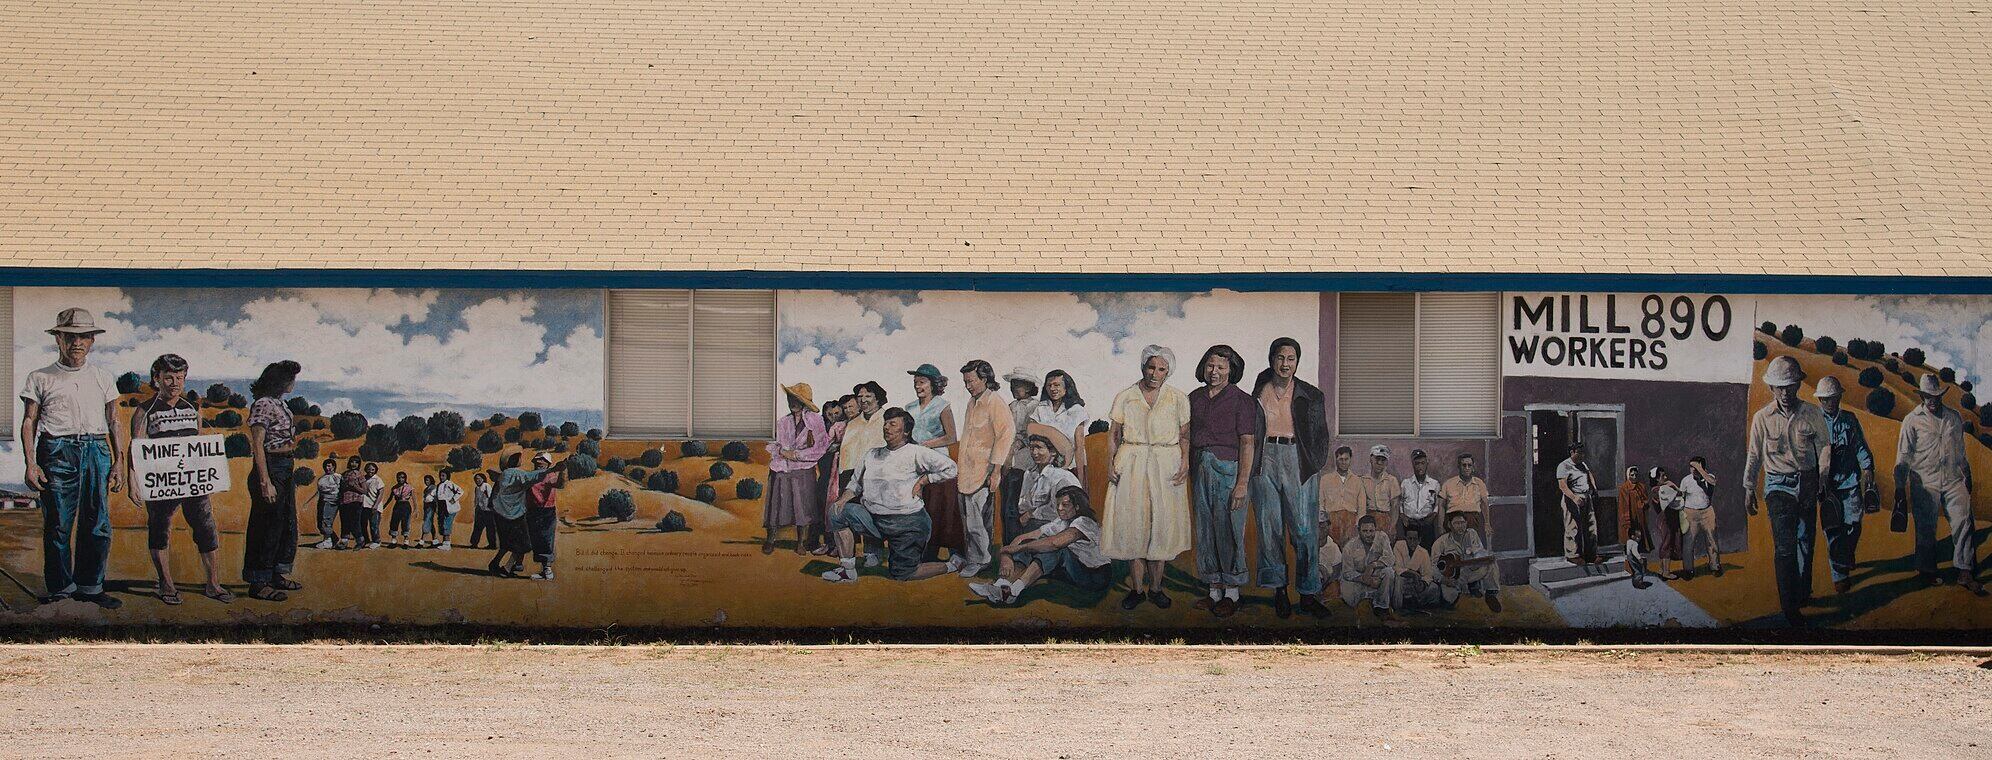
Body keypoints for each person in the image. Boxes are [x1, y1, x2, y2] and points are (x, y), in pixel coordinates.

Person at [18, 308, 127, 608]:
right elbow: (29, 422)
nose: (76, 343)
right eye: (69, 337)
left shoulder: (103, 377)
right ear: (58, 339)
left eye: (83, 337)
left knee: (97, 523)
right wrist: (30, 463)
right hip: (56, 451)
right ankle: (61, 590)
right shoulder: (39, 377)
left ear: (92, 340)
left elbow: (114, 421)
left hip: (96, 450)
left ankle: (91, 587)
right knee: (58, 524)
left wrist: (118, 461)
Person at [128, 354, 230, 605]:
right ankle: (166, 584)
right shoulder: (144, 411)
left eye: (180, 378)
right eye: (169, 377)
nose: (175, 383)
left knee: (206, 528)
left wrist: (210, 477)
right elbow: (136, 451)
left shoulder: (190, 408)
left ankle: (213, 584)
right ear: (157, 379)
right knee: (160, 529)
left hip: (192, 482)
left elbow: (199, 446)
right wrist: (133, 482)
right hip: (161, 482)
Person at [820, 407, 962, 583]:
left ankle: (952, 565)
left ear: (906, 431)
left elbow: (951, 468)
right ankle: (847, 570)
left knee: (903, 574)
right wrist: (842, 499)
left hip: (908, 524)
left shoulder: (916, 452)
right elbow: (855, 484)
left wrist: (925, 480)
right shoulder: (872, 454)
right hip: (875, 521)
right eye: (885, 423)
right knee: (837, 511)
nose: (886, 427)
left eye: (893, 424)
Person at [1743, 355, 1834, 625]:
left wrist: (1823, 475)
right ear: (1771, 388)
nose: (1785, 392)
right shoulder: (1762, 418)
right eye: (1779, 387)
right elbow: (1754, 455)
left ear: (1798, 386)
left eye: (1790, 386)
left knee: (1806, 541)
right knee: (1784, 547)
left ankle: (1803, 592)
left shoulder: (1813, 414)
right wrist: (1749, 487)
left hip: (1808, 483)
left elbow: (1825, 448)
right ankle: (1789, 607)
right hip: (1777, 487)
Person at [1101, 345, 1193, 611]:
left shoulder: (1178, 398)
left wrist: (1185, 460)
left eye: (1161, 369)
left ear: (1168, 372)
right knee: (1134, 524)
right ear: (1143, 367)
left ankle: (1156, 588)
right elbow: (1114, 434)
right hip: (1132, 461)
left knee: (1161, 525)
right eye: (1151, 367)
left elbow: (1185, 435)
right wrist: (1110, 463)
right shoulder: (1126, 396)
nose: (1155, 373)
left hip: (1166, 463)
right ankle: (1137, 589)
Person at [1250, 337, 1331, 619]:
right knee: (1269, 527)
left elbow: (1321, 435)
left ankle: (1308, 593)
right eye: (1280, 358)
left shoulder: (1311, 394)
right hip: (1265, 460)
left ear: (1297, 362)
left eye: (1291, 359)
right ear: (1272, 359)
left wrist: (1314, 463)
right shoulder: (1259, 390)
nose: (1285, 364)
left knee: (1305, 530)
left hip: (1298, 459)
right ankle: (1279, 591)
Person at [1895, 373, 1983, 594]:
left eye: (1935, 395)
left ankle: (1964, 571)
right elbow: (1903, 456)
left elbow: (1960, 451)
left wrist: (1967, 474)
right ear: (1922, 396)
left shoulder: (1954, 418)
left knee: (1964, 521)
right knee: (1925, 528)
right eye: (1927, 396)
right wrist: (1899, 486)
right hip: (1925, 482)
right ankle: (1926, 572)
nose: (1931, 400)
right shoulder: (1911, 420)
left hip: (1953, 479)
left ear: (1941, 395)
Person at [1188, 344, 1258, 618]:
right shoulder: (1194, 398)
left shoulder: (1242, 401)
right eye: (1210, 366)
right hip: (1200, 469)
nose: (1214, 372)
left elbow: (1248, 443)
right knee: (1205, 530)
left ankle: (1232, 593)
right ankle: (1214, 591)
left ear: (1232, 370)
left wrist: (1242, 483)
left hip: (1229, 471)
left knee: (1229, 530)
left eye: (1220, 367)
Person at [972, 486, 1111, 605]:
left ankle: (1013, 591)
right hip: (1071, 570)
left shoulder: (1084, 522)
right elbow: (1022, 538)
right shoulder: (1061, 521)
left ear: (1077, 507)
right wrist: (1006, 556)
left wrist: (1016, 549)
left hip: (1094, 576)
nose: (1060, 509)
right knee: (1031, 544)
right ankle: (1001, 585)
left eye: (1065, 505)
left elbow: (1055, 543)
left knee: (1053, 549)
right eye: (1058, 505)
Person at [243, 360, 304, 601]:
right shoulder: (263, 404)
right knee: (266, 526)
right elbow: (257, 443)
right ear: (280, 380)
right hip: (270, 466)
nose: (293, 383)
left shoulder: (280, 404)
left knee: (286, 524)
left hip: (285, 467)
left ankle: (277, 574)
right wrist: (264, 480)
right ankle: (259, 582)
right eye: (290, 378)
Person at [952, 360, 1015, 577]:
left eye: (971, 381)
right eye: (965, 382)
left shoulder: (995, 402)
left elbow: (1006, 435)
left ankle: (979, 560)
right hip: (967, 469)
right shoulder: (972, 402)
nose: (967, 386)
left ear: (984, 379)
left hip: (985, 469)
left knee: (976, 517)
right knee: (972, 516)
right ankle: (981, 557)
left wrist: (996, 470)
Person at [1814, 377, 1872, 595]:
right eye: (1825, 399)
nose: (1829, 402)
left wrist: (1868, 467)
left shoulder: (1850, 419)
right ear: (1820, 399)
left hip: (1850, 483)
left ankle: (1847, 552)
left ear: (1839, 397)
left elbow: (1859, 446)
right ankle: (1839, 575)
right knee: (1833, 530)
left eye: (1833, 398)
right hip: (1827, 487)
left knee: (1854, 525)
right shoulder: (1813, 421)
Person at [906, 363, 965, 563]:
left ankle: (955, 553)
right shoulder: (910, 408)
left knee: (944, 507)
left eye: (922, 382)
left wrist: (926, 444)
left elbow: (951, 436)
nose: (918, 386)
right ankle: (928, 552)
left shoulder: (942, 405)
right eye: (915, 383)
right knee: (923, 507)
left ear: (933, 384)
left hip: (940, 461)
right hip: (918, 463)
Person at [763, 383, 829, 555]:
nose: (792, 402)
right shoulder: (782, 421)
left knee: (803, 506)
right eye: (790, 398)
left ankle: (801, 542)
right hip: (781, 468)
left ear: (805, 402)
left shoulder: (816, 420)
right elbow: (771, 444)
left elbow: (821, 447)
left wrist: (798, 455)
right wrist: (782, 451)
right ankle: (770, 539)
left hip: (804, 468)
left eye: (797, 399)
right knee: (776, 504)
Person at [487, 452, 558, 577]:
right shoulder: (518, 474)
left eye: (541, 460)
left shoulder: (506, 474)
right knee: (523, 543)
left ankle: (503, 564)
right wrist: (555, 469)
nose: (537, 462)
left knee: (509, 542)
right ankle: (507, 569)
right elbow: (531, 476)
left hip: (505, 513)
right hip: (514, 514)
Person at [999, 366, 1041, 543]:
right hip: (1008, 460)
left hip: (1025, 461)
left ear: (1030, 387)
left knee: (1020, 503)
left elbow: (1029, 433)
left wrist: (1013, 448)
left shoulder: (1036, 406)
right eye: (1013, 385)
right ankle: (1009, 544)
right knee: (1007, 504)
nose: (1015, 388)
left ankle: (1023, 544)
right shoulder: (1010, 406)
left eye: (1019, 385)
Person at [1430, 511, 1503, 611]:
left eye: (1463, 522)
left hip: (1470, 572)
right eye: (1457, 523)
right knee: (1448, 602)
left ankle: (1491, 594)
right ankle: (1459, 592)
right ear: (1449, 525)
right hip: (1453, 579)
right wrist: (1443, 579)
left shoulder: (1472, 534)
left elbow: (1481, 552)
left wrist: (1477, 553)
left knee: (1490, 563)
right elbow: (1433, 567)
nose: (1461, 526)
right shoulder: (1440, 542)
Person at [1339, 515, 1404, 624]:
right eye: (1365, 531)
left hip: (1375, 578)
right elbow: (1347, 573)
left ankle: (1381, 608)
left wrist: (1373, 565)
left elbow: (1390, 558)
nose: (1369, 534)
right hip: (1357, 583)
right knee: (1351, 596)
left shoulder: (1382, 537)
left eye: (1371, 531)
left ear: (1375, 529)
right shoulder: (1349, 547)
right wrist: (1366, 580)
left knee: (1389, 572)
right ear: (1358, 531)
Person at [1015, 425, 1081, 531]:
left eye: (1039, 447)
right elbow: (1022, 505)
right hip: (1031, 524)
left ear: (1053, 452)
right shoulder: (1029, 474)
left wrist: (1031, 514)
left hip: (1058, 527)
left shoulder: (1061, 477)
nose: (1034, 452)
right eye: (1032, 448)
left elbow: (1058, 511)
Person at [1031, 369, 1091, 481]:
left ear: (1066, 387)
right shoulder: (1040, 410)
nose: (1052, 389)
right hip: (1045, 470)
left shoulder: (1077, 411)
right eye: (1049, 385)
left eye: (1057, 385)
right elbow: (1033, 438)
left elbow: (1079, 447)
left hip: (1070, 468)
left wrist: (1080, 477)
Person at [810, 394, 851, 554]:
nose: (833, 417)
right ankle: (823, 542)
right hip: (825, 474)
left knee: (836, 506)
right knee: (822, 507)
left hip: (839, 474)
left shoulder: (844, 426)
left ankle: (836, 545)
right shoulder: (821, 429)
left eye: (837, 414)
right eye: (829, 414)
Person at [1555, 446, 1602, 574]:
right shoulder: (1563, 465)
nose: (1582, 455)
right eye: (1579, 453)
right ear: (1572, 452)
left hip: (1586, 497)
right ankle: (1573, 555)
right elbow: (1562, 486)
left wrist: (1594, 488)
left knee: (1591, 525)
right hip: (1572, 497)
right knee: (1572, 526)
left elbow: (1589, 474)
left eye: (1583, 453)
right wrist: (1574, 498)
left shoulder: (1582, 464)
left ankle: (1591, 554)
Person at [1679, 457, 1722, 579]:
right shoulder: (1686, 480)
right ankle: (1688, 570)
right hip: (1690, 513)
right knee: (1688, 542)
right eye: (1691, 467)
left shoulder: (1708, 477)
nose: (1693, 469)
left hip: (1707, 512)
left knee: (1712, 540)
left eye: (1696, 467)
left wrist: (1700, 470)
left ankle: (1715, 566)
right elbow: (1681, 496)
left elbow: (1713, 482)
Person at [525, 454, 568, 580]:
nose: (539, 462)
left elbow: (560, 484)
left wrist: (563, 470)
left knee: (546, 539)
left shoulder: (550, 476)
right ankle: (517, 564)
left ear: (548, 464)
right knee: (533, 539)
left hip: (547, 511)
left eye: (542, 461)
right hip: (532, 511)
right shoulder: (530, 476)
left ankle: (547, 570)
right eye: (537, 460)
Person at [1439, 452, 1491, 548]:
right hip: (1452, 520)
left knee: (1471, 550)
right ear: (1459, 467)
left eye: (1469, 465)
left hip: (1472, 520)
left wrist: (1487, 523)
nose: (1467, 468)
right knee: (1452, 550)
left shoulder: (1479, 483)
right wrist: (1440, 526)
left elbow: (1484, 503)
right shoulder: (1448, 483)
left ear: (1473, 467)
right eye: (1464, 465)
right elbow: (1441, 506)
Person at [1318, 446, 1364, 548]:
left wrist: (1357, 525)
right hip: (1331, 521)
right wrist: (1324, 524)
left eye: (1346, 459)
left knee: (1349, 550)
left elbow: (1362, 507)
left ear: (1350, 460)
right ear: (1336, 460)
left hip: (1351, 523)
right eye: (1341, 459)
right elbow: (1320, 503)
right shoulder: (1325, 479)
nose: (1343, 462)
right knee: (1332, 550)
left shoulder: (1358, 481)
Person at [1399, 449, 1442, 552]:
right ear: (1413, 464)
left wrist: (1434, 514)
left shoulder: (1434, 484)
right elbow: (1399, 502)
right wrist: (1402, 515)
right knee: (1409, 552)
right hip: (1409, 523)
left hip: (1426, 523)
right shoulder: (1405, 483)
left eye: (1422, 463)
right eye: (1417, 463)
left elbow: (1438, 503)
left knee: (1427, 552)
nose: (1420, 466)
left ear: (1427, 463)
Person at [1393, 524, 1441, 611]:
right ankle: (1398, 608)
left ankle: (1418, 606)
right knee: (1398, 580)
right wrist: (1413, 574)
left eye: (1415, 539)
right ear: (1406, 538)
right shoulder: (1399, 545)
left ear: (1419, 540)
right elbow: (1397, 568)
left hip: (1416, 584)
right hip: (1401, 582)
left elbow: (1428, 574)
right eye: (1409, 538)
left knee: (1434, 588)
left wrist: (1422, 585)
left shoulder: (1423, 552)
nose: (1411, 542)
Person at [1360, 445, 1401, 539]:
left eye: (1383, 460)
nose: (1379, 463)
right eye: (1377, 459)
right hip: (1368, 520)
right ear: (1371, 459)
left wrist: (1392, 526)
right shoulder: (1363, 480)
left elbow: (1395, 506)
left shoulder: (1392, 480)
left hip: (1385, 519)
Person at [306, 458, 345, 549]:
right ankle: (333, 538)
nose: (327, 468)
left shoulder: (338, 477)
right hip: (322, 500)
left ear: (334, 467)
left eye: (329, 466)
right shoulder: (321, 479)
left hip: (333, 501)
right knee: (320, 522)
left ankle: (327, 541)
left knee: (326, 521)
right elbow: (319, 492)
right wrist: (308, 502)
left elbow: (342, 489)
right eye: (326, 466)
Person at [1615, 465, 1647, 559]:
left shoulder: (1641, 487)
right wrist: (1626, 519)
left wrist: (1643, 504)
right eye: (1631, 475)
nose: (1634, 477)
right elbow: (1623, 505)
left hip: (1639, 515)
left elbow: (1645, 499)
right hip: (1629, 514)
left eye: (1635, 475)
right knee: (1629, 536)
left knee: (1639, 536)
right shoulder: (1624, 488)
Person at [337, 456, 368, 548]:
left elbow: (365, 491)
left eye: (356, 462)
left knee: (355, 522)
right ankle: (344, 542)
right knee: (344, 521)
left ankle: (360, 541)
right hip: (344, 501)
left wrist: (354, 486)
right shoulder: (344, 474)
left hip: (355, 501)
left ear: (359, 464)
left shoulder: (359, 475)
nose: (353, 464)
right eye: (352, 462)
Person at [429, 469, 462, 550]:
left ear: (447, 476)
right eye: (440, 475)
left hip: (448, 507)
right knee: (442, 523)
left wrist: (453, 499)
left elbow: (460, 491)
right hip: (441, 506)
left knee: (447, 524)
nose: (441, 477)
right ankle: (445, 543)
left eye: (443, 475)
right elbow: (434, 494)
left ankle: (447, 545)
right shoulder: (439, 485)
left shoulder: (449, 484)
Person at [468, 472, 497, 550]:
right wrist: (476, 507)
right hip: (480, 510)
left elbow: (490, 497)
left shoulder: (487, 486)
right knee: (477, 527)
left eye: (479, 479)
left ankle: (492, 545)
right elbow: (476, 499)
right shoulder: (477, 488)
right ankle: (474, 543)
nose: (477, 480)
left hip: (488, 510)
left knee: (490, 528)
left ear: (483, 479)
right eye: (476, 479)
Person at [360, 463, 386, 549]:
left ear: (375, 470)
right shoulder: (363, 479)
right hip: (364, 505)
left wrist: (376, 505)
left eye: (372, 469)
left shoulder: (378, 480)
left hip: (374, 506)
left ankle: (376, 541)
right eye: (368, 469)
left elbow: (381, 493)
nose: (370, 471)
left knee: (373, 525)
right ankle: (366, 540)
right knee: (363, 524)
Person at [387, 471, 416, 548]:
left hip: (406, 505)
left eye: (402, 477)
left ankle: (406, 542)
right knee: (394, 521)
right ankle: (394, 541)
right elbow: (390, 498)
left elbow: (414, 499)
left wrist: (415, 509)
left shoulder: (409, 487)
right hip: (397, 505)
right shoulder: (394, 488)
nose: (400, 479)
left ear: (405, 478)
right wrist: (384, 506)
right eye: (399, 477)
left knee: (405, 523)